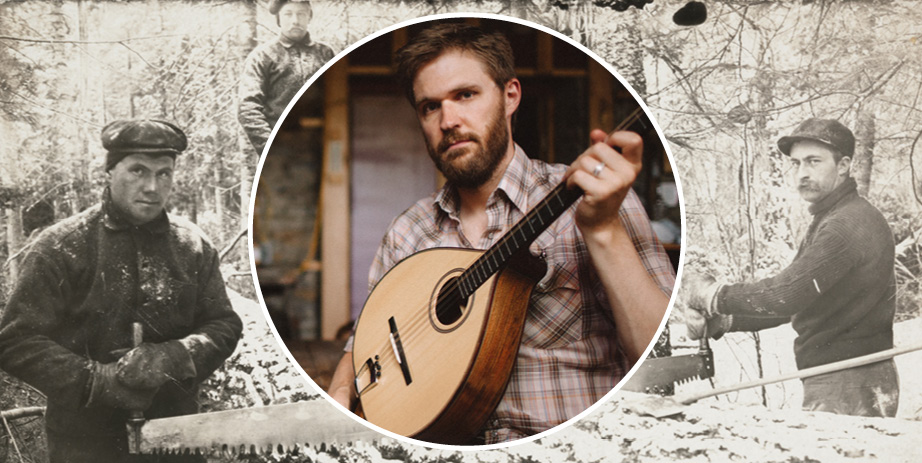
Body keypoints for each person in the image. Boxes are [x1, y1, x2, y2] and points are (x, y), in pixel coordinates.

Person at [326, 23, 675, 444]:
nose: (448, 120)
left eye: (465, 95)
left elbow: (660, 358)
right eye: (429, 107)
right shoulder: (407, 230)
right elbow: (364, 343)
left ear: (510, 96)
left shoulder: (595, 198)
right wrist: (343, 389)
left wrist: (602, 231)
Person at [0, 119, 244, 462]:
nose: (152, 187)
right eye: (138, 171)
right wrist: (97, 381)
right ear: (109, 173)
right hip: (86, 444)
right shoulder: (61, 246)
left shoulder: (192, 246)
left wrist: (176, 356)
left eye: (164, 173)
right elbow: (16, 341)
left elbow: (224, 325)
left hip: (176, 439)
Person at [683, 118, 899, 417]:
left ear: (844, 165)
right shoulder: (833, 217)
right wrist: (726, 320)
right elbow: (799, 302)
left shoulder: (847, 223)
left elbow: (787, 294)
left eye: (813, 162)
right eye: (796, 164)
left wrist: (711, 295)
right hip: (846, 377)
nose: (802, 174)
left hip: (850, 379)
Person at [238, 0, 334, 156]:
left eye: (301, 14)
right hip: (280, 154)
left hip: (321, 150)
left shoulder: (325, 53)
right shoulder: (262, 56)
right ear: (279, 19)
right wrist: (270, 148)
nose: (295, 20)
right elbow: (248, 108)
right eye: (288, 14)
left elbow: (337, 100)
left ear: (309, 17)